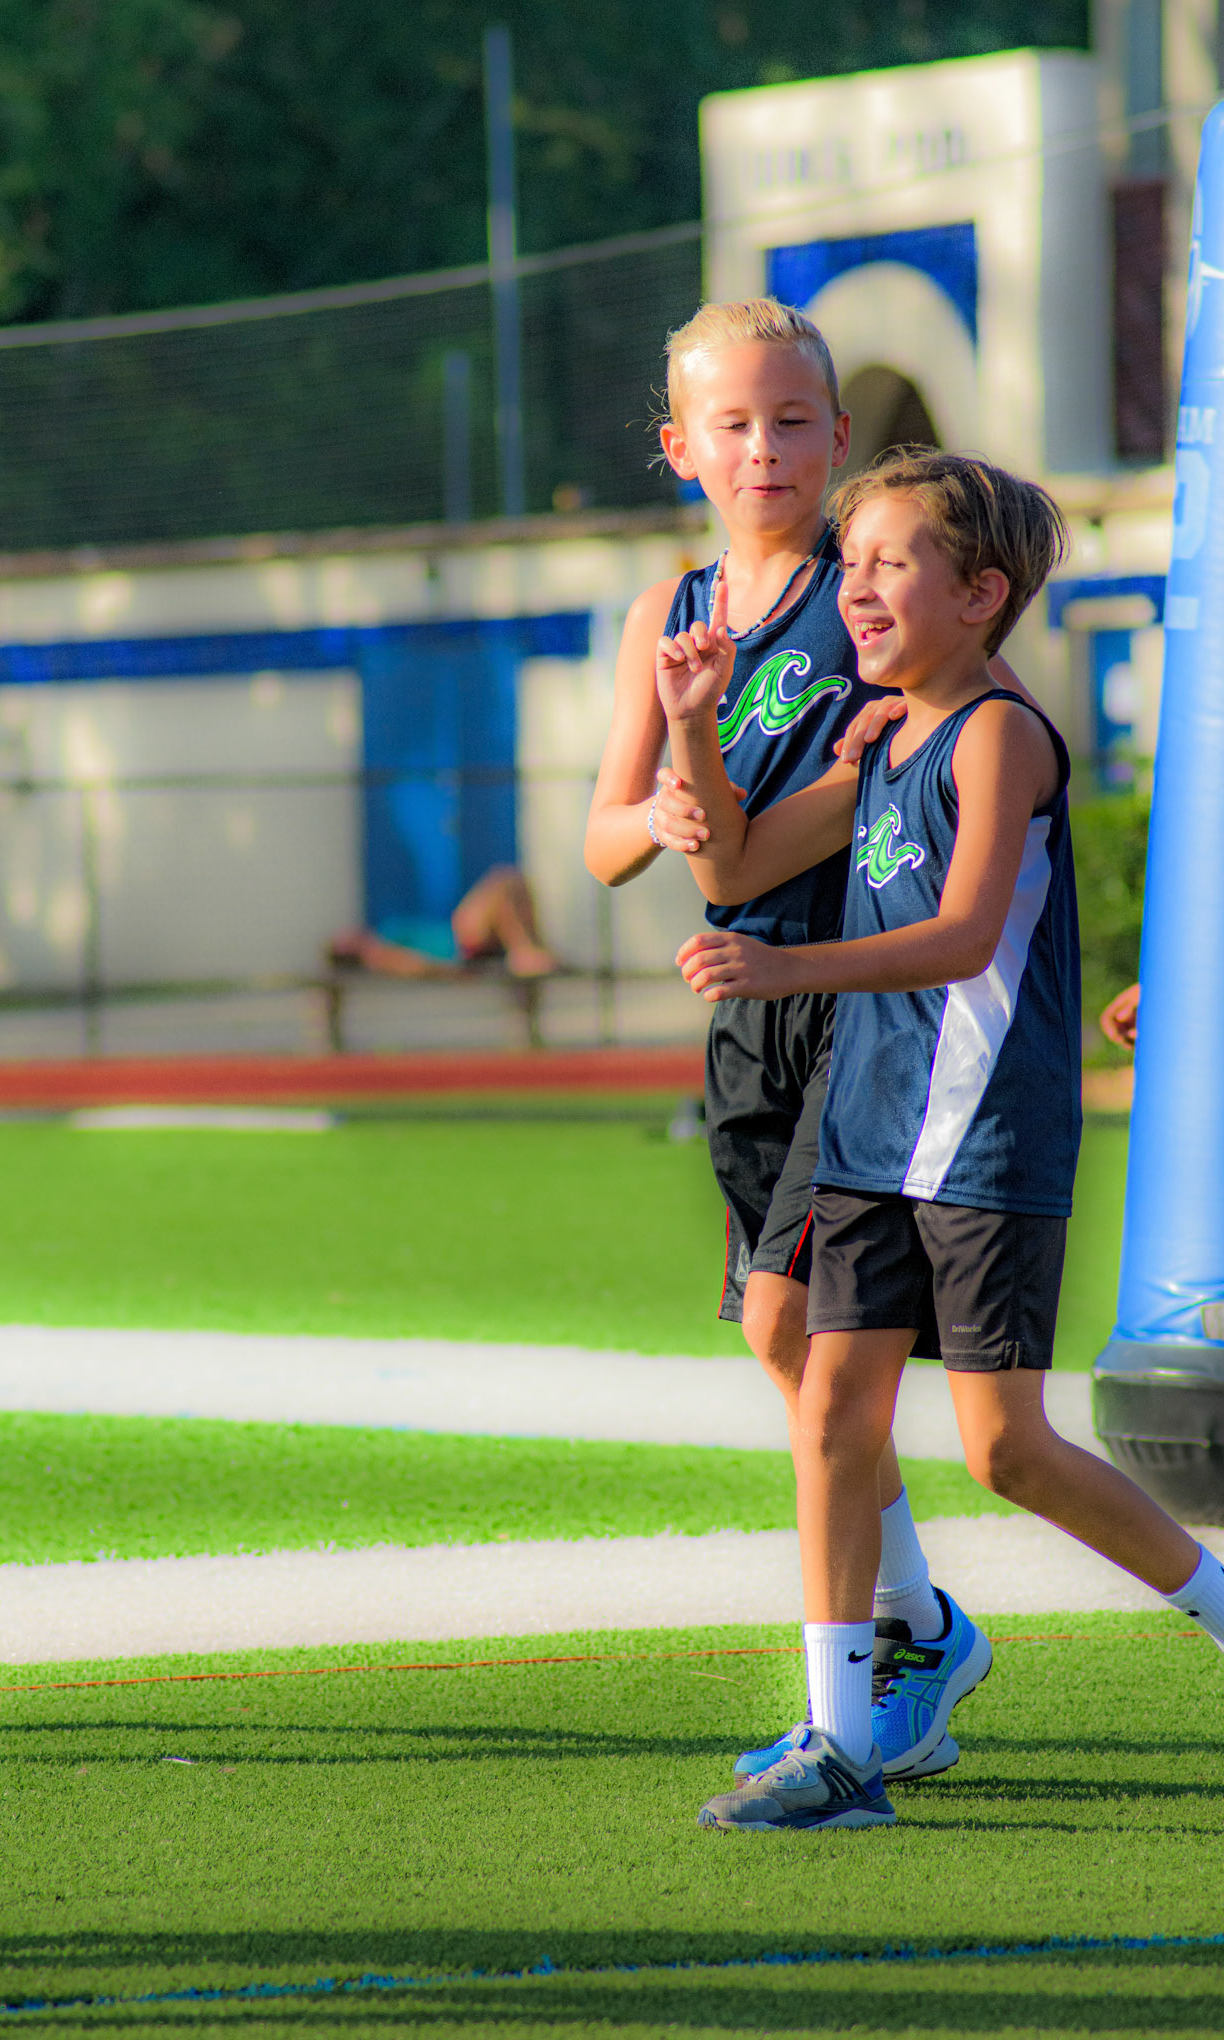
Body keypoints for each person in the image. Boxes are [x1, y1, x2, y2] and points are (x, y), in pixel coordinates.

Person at [660, 446, 1224, 1832]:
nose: (855, 587)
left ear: (982, 595)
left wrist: (785, 970)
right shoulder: (881, 734)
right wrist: (694, 726)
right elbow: (734, 864)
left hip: (983, 1133)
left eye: (890, 563)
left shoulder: (997, 735)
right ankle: (841, 1745)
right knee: (833, 1413)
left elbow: (962, 935)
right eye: (851, 562)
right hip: (868, 1130)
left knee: (1006, 1449)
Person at [586, 300, 1016, 1784]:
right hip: (746, 1013)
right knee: (786, 1344)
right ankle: (919, 1628)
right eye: (732, 423)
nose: (762, 448)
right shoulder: (668, 612)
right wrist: (663, 805)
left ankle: (891, 1650)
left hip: (857, 997)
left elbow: (779, 843)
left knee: (799, 1335)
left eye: (790, 421)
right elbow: (606, 840)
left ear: (838, 436)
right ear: (679, 447)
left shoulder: (873, 591)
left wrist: (724, 818)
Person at [326, 865, 558, 980]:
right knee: (502, 884)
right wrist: (453, 971)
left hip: (460, 938)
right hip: (458, 944)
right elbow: (415, 966)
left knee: (512, 887)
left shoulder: (382, 934)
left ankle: (529, 949)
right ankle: (524, 952)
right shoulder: (377, 953)